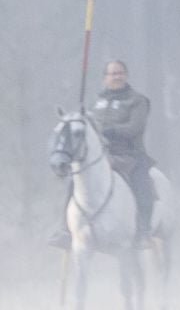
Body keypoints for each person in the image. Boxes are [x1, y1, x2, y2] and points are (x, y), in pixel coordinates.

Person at [51, 60, 159, 249]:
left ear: (126, 75)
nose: (117, 76)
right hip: (100, 155)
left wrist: (108, 131)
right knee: (75, 181)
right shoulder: (96, 101)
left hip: (129, 155)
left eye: (120, 73)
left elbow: (135, 127)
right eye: (113, 73)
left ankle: (142, 230)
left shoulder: (137, 100)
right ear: (105, 78)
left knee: (141, 184)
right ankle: (66, 230)